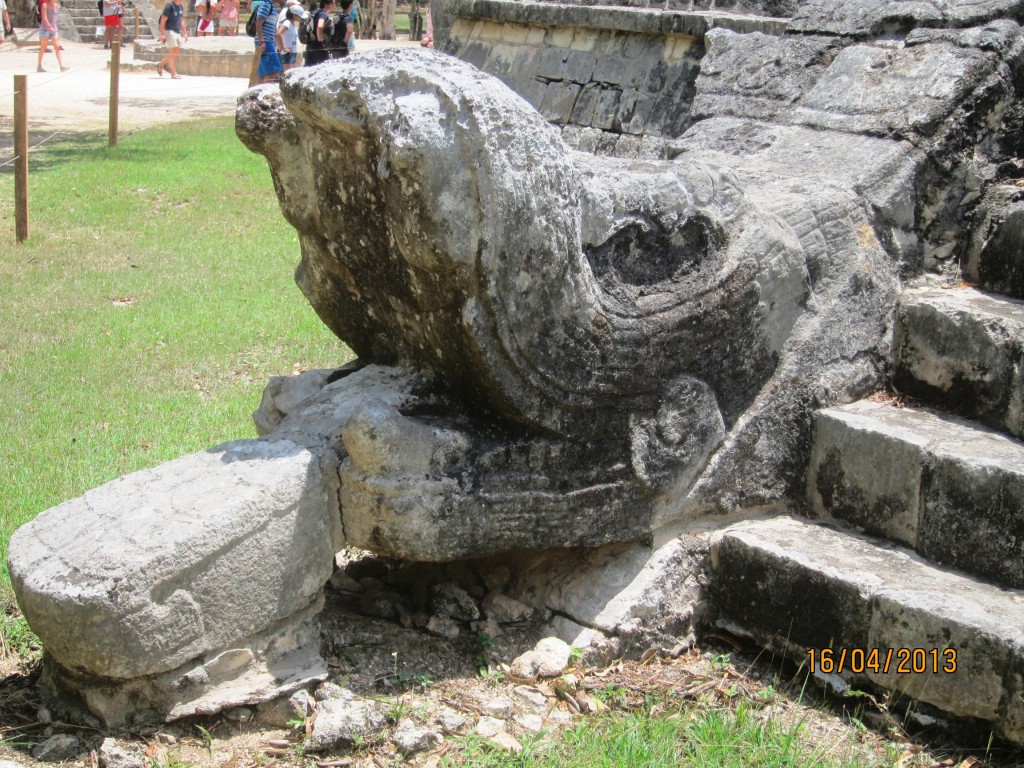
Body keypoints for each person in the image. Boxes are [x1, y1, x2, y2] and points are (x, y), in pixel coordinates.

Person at [36, 0, 69, 73]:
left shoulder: (55, 6)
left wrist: (54, 27)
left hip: (54, 29)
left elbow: (55, 18)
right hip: (45, 29)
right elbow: (44, 18)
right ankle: (39, 65)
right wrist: (49, 27)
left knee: (57, 47)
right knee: (43, 48)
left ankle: (61, 66)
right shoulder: (45, 5)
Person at [253, 0, 281, 82]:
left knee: (263, 73)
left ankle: (257, 92)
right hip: (265, 41)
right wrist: (262, 41)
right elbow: (258, 23)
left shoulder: (273, 6)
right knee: (274, 69)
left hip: (269, 41)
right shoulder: (267, 5)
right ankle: (265, 91)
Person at [158, 0, 187, 78]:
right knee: (173, 52)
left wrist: (185, 33)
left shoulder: (180, 7)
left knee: (176, 52)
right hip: (169, 31)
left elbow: (181, 21)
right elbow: (163, 20)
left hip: (177, 32)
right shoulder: (169, 6)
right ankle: (173, 73)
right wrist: (162, 34)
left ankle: (161, 64)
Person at [302, 0, 332, 66]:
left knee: (308, 69)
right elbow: (320, 25)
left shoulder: (316, 13)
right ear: (328, 4)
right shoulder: (323, 14)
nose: (334, 5)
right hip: (318, 46)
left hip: (310, 45)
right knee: (326, 67)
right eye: (333, 3)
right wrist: (320, 38)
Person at [275, 5, 301, 71]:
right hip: (287, 53)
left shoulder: (292, 24)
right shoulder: (287, 23)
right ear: (294, 15)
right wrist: (283, 48)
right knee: (287, 74)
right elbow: (278, 34)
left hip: (292, 52)